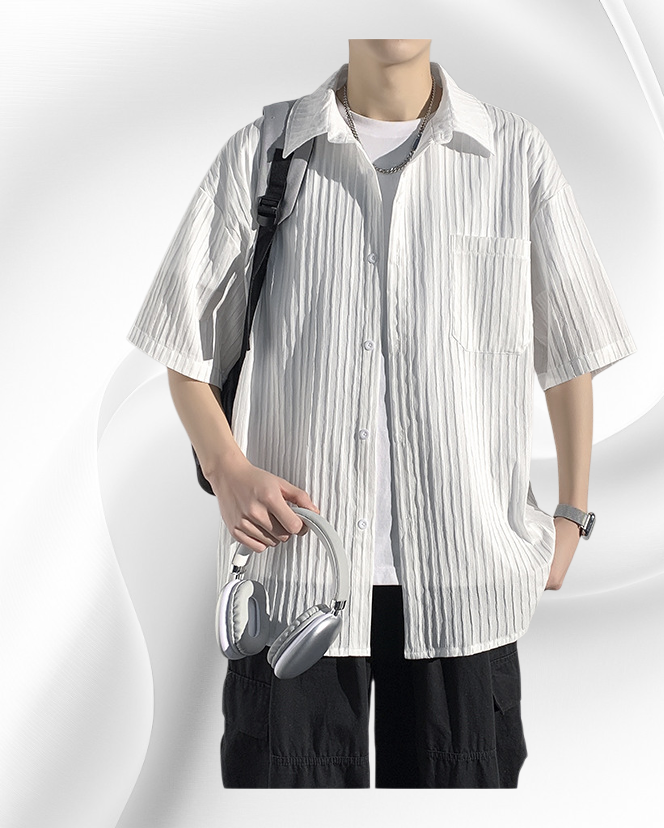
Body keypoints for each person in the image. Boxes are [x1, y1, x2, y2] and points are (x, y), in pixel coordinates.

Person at [126, 39, 637, 788]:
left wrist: (572, 514)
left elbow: (571, 347)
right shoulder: (265, 152)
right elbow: (182, 344)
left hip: (466, 584)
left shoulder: (513, 155)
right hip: (296, 581)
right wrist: (226, 468)